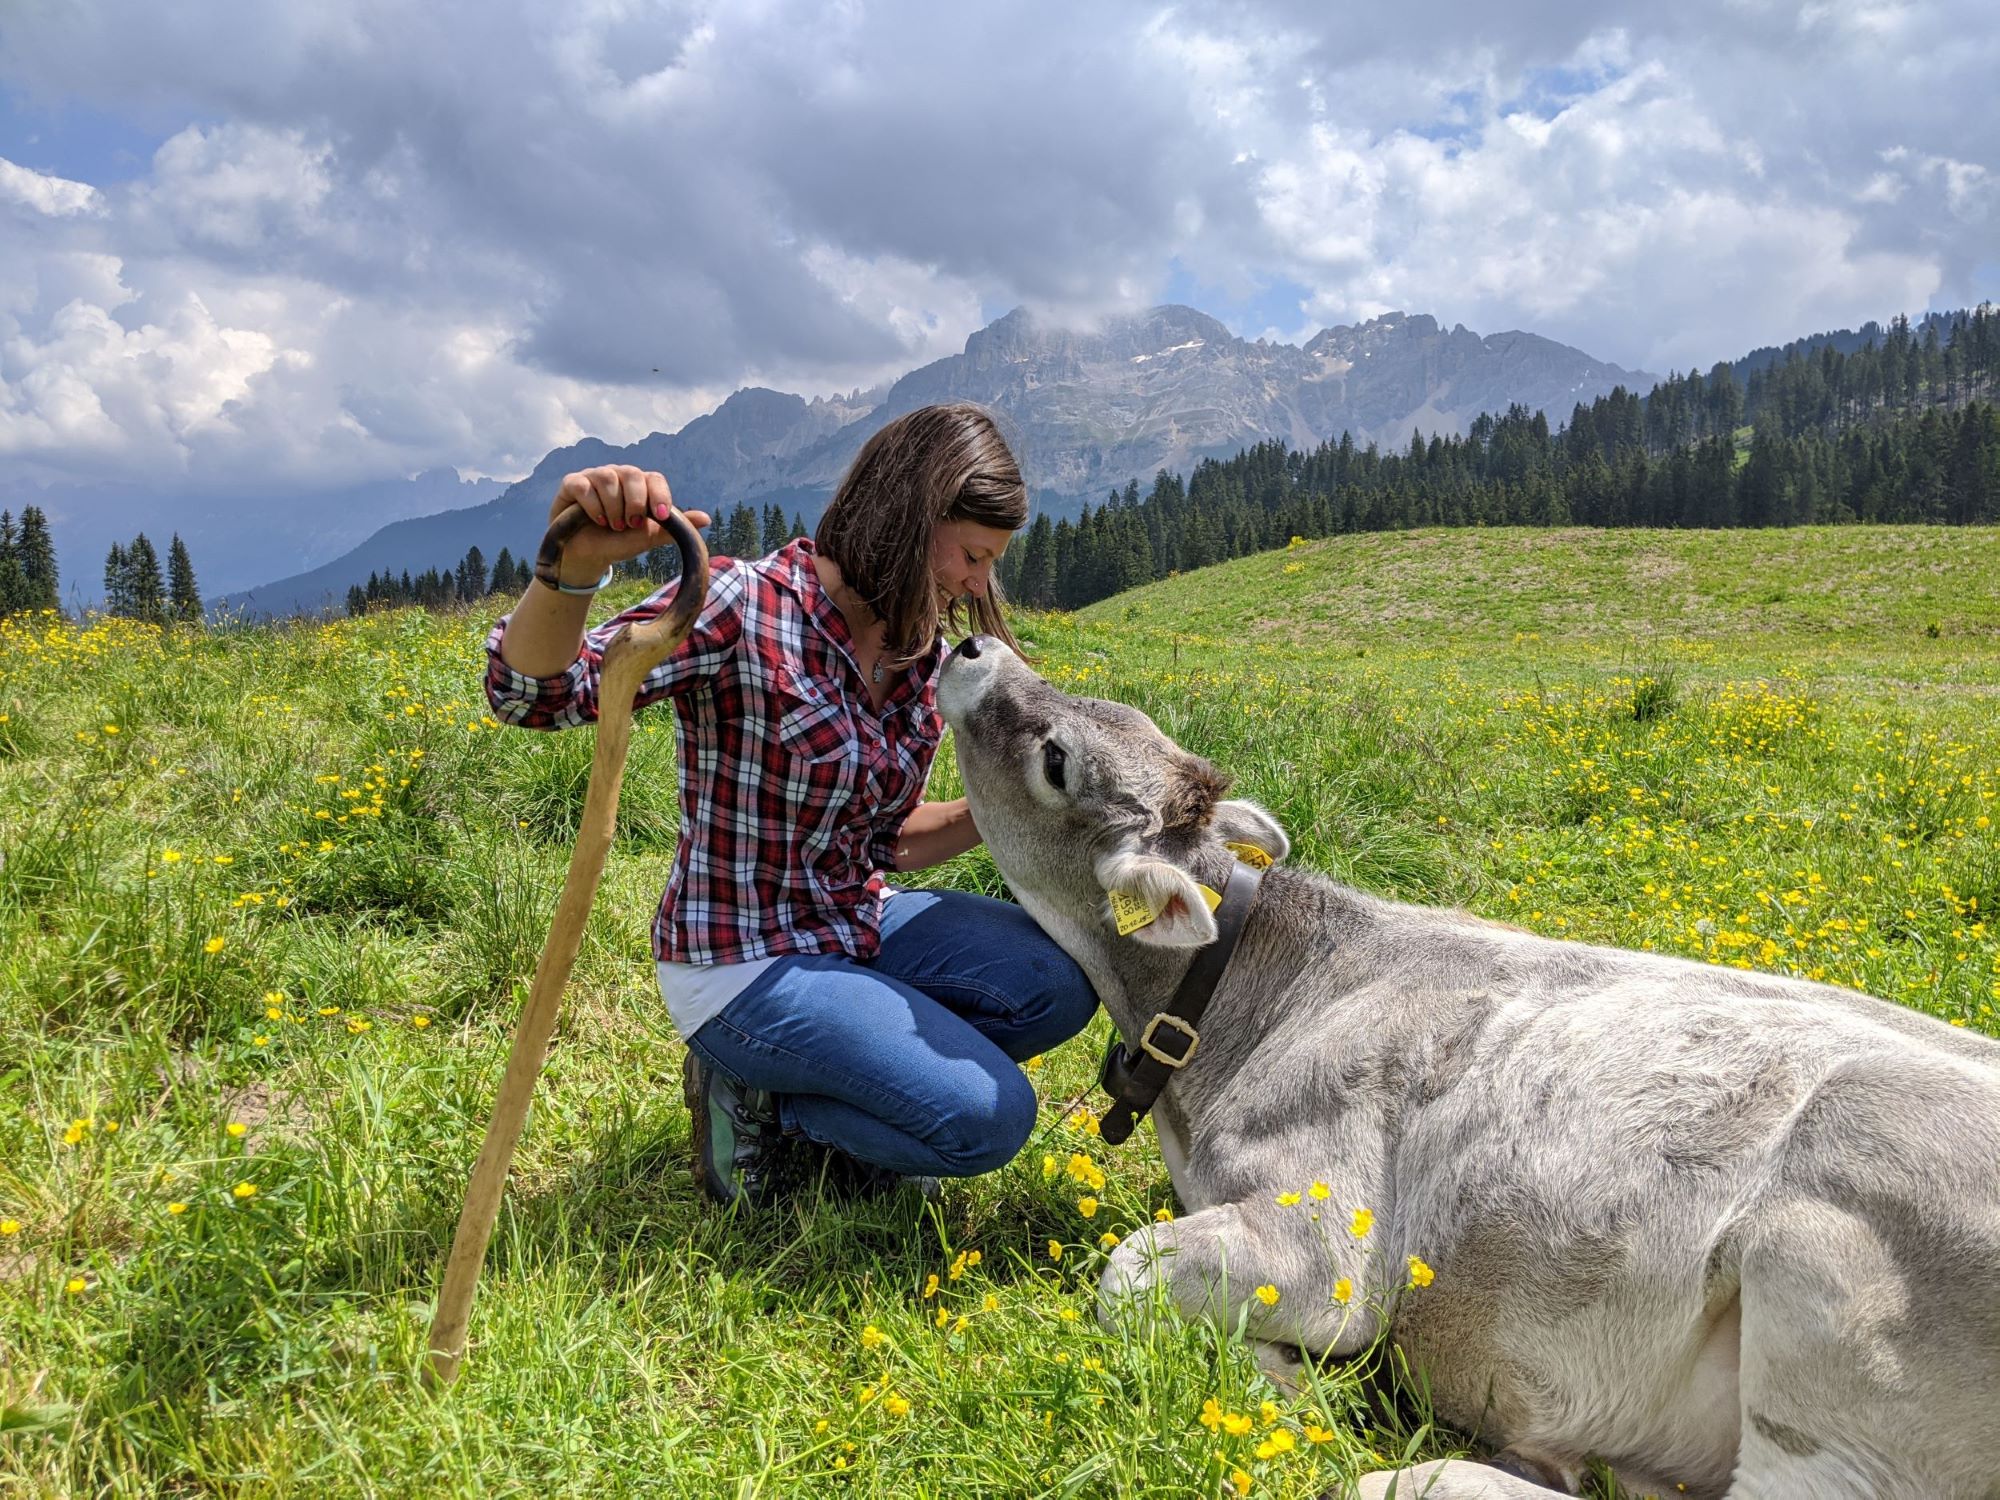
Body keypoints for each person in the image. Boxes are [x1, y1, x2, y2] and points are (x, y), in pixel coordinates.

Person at [484, 403, 1099, 1207]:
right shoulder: (742, 606)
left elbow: (889, 843)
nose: (979, 584)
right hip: (742, 961)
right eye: (975, 555)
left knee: (1057, 982)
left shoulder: (919, 650)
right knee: (988, 1119)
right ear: (909, 517)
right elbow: (531, 693)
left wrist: (1009, 808)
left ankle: (851, 1065)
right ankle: (763, 1096)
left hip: (854, 920)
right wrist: (570, 570)